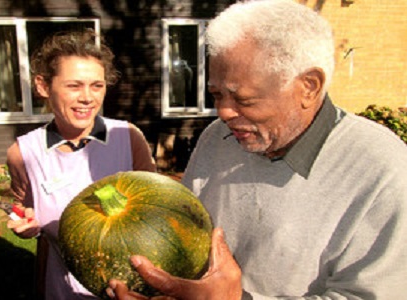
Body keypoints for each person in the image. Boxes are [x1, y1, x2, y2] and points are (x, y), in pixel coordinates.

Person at [108, 0, 407, 299]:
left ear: (309, 86)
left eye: (245, 100)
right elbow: (184, 236)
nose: (223, 112)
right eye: (216, 94)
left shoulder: (384, 170)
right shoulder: (217, 137)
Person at [6, 29, 156, 299]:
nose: (88, 97)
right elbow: (24, 214)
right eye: (74, 86)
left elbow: (158, 211)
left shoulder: (128, 138)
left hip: (131, 291)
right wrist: (26, 227)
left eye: (97, 85)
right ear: (43, 86)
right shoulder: (23, 153)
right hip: (63, 291)